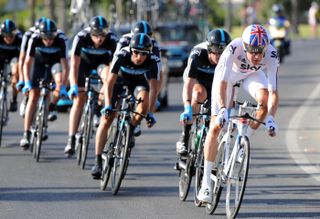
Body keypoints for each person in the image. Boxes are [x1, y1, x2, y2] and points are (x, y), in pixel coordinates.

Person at [197, 24, 279, 202]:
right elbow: (223, 83)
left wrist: (271, 117)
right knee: (216, 126)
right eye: (252, 51)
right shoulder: (233, 48)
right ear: (245, 46)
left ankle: (242, 143)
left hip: (251, 75)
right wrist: (223, 109)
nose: (257, 56)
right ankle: (206, 185)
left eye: (260, 52)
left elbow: (273, 92)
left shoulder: (272, 54)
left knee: (264, 102)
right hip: (229, 75)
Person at [91, 33, 159, 179]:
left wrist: (151, 113)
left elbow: (154, 88)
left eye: (143, 54)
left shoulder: (153, 60)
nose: (139, 57)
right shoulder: (122, 54)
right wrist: (108, 105)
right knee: (107, 119)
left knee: (143, 104)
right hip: (119, 82)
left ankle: (132, 127)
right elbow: (109, 82)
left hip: (139, 83)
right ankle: (97, 161)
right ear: (131, 49)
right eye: (136, 52)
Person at [64, 16, 118, 156]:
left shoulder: (112, 40)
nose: (99, 39)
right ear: (90, 33)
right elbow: (74, 65)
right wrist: (74, 85)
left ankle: (98, 109)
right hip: (84, 65)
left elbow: (113, 68)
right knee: (79, 100)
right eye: (96, 35)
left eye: (102, 35)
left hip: (102, 65)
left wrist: (106, 90)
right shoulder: (81, 37)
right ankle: (71, 139)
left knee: (107, 77)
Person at [176, 29, 231, 156]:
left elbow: (230, 86)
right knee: (200, 93)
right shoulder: (198, 54)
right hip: (197, 79)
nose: (219, 57)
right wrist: (187, 107)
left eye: (222, 53)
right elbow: (188, 84)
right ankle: (184, 136)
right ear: (209, 49)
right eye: (216, 52)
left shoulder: (229, 58)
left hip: (215, 82)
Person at [20, 18, 69, 150]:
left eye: (51, 38)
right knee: (34, 96)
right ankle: (26, 134)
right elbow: (27, 63)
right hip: (39, 63)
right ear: (41, 35)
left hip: (55, 62)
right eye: (45, 38)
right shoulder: (34, 38)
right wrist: (26, 82)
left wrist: (63, 87)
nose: (48, 41)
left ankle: (52, 107)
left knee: (58, 81)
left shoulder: (61, 39)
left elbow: (66, 66)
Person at [116, 20, 162, 136]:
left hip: (142, 74)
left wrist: (153, 100)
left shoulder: (154, 45)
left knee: (145, 99)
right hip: (124, 72)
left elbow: (156, 75)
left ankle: (134, 123)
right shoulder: (124, 40)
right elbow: (114, 63)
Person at [17, 17, 47, 117]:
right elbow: (22, 59)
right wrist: (22, 80)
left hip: (43, 57)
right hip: (31, 58)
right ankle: (26, 99)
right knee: (30, 71)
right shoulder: (29, 35)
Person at [0, 19, 22, 112]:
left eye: (11, 36)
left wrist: (16, 76)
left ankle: (14, 99)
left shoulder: (20, 38)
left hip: (14, 57)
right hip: (1, 56)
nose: (9, 38)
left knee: (15, 74)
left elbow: (23, 57)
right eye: (6, 36)